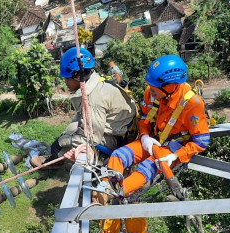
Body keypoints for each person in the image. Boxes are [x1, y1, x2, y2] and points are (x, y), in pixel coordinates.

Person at [104, 55, 211, 196]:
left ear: (171, 86)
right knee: (119, 155)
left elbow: (201, 141)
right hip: (154, 139)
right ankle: (104, 187)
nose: (150, 90)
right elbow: (144, 118)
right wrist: (144, 136)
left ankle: (114, 194)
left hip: (174, 146)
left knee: (147, 167)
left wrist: (176, 156)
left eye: (154, 88)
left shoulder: (192, 104)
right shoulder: (152, 92)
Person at [31, 48, 136, 169]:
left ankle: (61, 160)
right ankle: (57, 158)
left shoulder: (94, 99)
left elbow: (94, 139)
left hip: (118, 138)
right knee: (71, 129)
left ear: (77, 75)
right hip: (113, 126)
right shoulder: (95, 81)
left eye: (67, 78)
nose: (65, 82)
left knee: (68, 140)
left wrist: (62, 142)